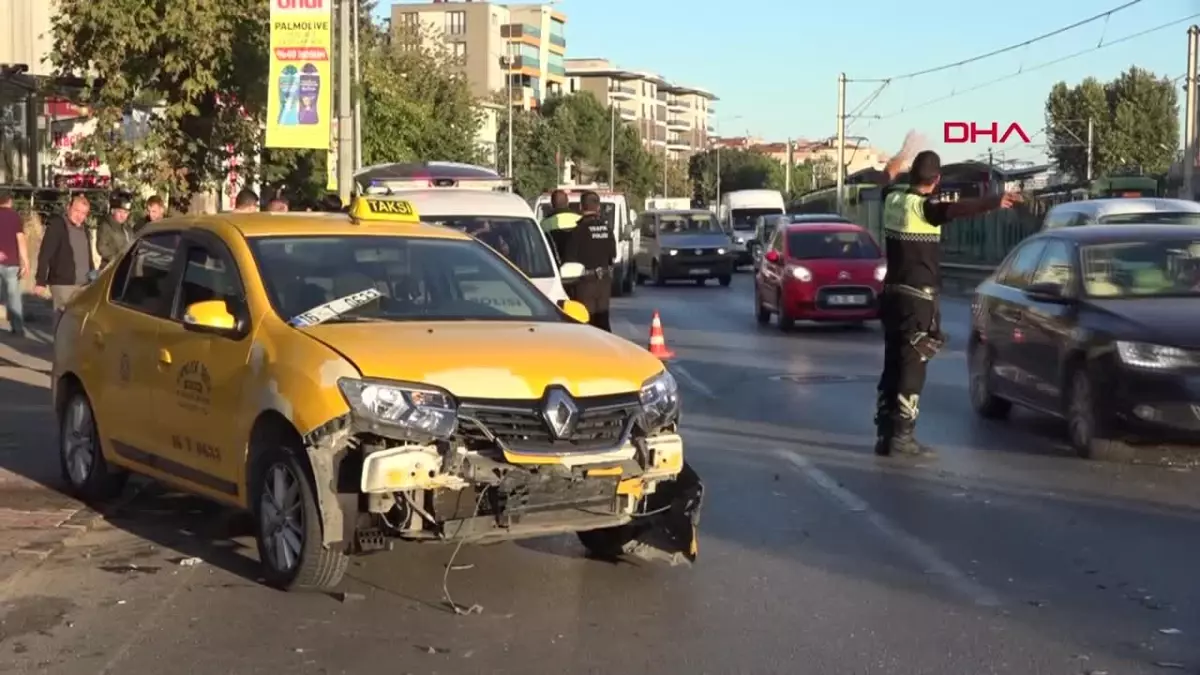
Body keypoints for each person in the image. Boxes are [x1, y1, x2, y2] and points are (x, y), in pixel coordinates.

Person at [874, 146, 1021, 458]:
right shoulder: (926, 207)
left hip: (891, 295)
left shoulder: (892, 198)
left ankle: (885, 434)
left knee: (892, 363)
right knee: (913, 366)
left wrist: (903, 150)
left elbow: (886, 174)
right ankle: (903, 436)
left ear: (911, 175)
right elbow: (959, 210)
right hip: (918, 299)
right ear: (937, 180)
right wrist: (996, 201)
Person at [555, 190, 615, 331]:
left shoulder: (578, 231)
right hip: (604, 283)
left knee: (585, 324)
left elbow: (569, 260)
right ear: (598, 207)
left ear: (581, 207)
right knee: (603, 323)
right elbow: (613, 254)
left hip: (585, 284)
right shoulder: (607, 229)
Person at [35, 193, 95, 315]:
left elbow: (88, 256)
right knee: (63, 320)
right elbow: (45, 254)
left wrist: (93, 276)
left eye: (84, 213)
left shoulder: (85, 230)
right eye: (76, 211)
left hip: (83, 284)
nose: (79, 216)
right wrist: (40, 281)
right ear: (68, 207)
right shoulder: (57, 225)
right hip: (62, 283)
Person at [0, 191, 29, 337]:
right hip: (12, 263)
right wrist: (26, 262)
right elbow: (20, 240)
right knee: (14, 296)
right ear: (10, 201)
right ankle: (17, 328)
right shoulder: (15, 217)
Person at [95, 191, 137, 267]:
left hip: (126, 267)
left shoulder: (128, 228)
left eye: (126, 212)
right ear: (113, 211)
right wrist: (117, 259)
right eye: (120, 212)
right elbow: (102, 247)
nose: (123, 215)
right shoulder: (106, 226)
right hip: (111, 267)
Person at [539, 189, 580, 265]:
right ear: (567, 202)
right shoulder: (579, 219)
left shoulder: (544, 224)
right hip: (577, 265)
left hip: (554, 265)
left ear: (552, 204)